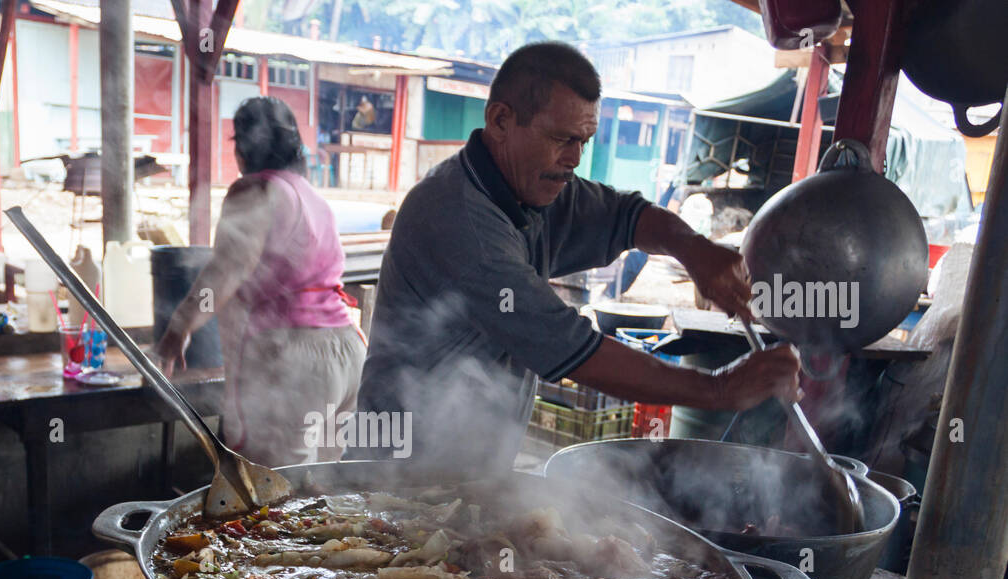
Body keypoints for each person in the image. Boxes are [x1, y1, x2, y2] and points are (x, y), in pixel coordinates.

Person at [356, 42, 803, 473]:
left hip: (470, 476)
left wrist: (693, 249)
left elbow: (628, 216)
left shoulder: (535, 188)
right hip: (397, 476)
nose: (574, 160)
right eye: (561, 139)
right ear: (500, 120)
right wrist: (720, 388)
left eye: (584, 141)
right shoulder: (458, 218)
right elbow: (572, 348)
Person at [156, 97, 367, 466]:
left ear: (243, 146)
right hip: (348, 354)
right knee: (327, 492)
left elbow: (226, 271)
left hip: (296, 362)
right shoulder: (313, 197)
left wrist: (180, 326)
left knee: (271, 491)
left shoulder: (254, 190)